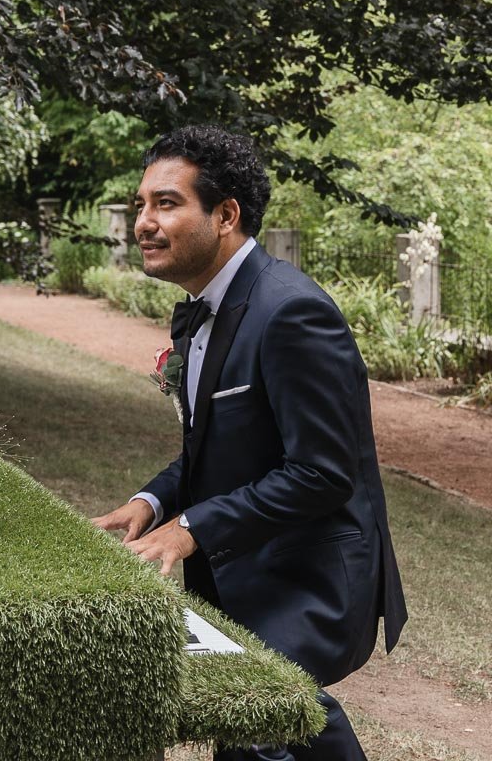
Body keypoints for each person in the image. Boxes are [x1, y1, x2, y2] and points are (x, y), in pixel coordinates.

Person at [92, 125, 407, 760]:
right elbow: (219, 447)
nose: (143, 223)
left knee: (264, 724)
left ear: (226, 215)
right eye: (141, 206)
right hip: (249, 567)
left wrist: (188, 529)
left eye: (166, 203)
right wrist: (151, 503)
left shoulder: (291, 312)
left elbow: (322, 473)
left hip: (308, 576)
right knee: (257, 731)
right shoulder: (208, 306)